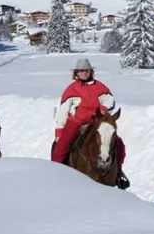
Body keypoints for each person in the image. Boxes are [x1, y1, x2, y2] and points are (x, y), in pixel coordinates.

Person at [51, 57, 129, 189]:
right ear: (76, 73)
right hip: (77, 122)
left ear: (91, 72)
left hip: (97, 120)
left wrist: (103, 109)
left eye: (86, 70)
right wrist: (59, 131)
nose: (84, 73)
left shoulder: (99, 86)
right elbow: (63, 111)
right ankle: (55, 173)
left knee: (118, 142)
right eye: (81, 71)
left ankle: (119, 172)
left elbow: (109, 99)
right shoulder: (71, 89)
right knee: (62, 145)